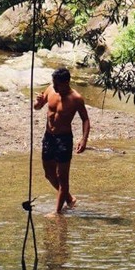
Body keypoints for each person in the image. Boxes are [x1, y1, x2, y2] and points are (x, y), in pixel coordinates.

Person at [34, 68, 90, 216]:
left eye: (57, 84)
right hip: (49, 136)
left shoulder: (76, 98)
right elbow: (37, 107)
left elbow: (85, 119)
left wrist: (83, 139)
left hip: (64, 139)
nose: (55, 86)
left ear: (66, 82)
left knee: (62, 176)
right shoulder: (51, 89)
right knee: (49, 174)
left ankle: (57, 212)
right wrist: (38, 103)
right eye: (53, 83)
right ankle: (70, 199)